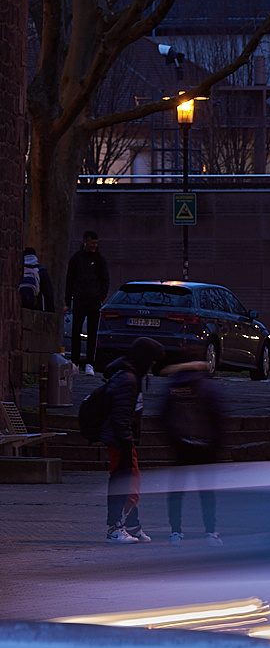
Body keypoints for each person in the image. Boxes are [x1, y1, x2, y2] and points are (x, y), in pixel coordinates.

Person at [157, 353, 226, 544]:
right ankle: (210, 532)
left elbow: (162, 417)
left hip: (180, 448)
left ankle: (175, 532)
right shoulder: (208, 387)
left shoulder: (171, 388)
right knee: (207, 494)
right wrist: (216, 447)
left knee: (176, 493)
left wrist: (173, 443)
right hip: (205, 448)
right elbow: (218, 418)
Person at [102, 337, 162, 543]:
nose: (153, 365)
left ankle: (131, 524)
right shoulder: (128, 380)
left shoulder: (129, 377)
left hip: (123, 439)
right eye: (152, 360)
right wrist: (127, 441)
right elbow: (121, 416)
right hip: (121, 440)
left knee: (131, 482)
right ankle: (115, 527)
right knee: (124, 482)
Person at [66, 231, 110, 371]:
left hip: (93, 300)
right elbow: (70, 281)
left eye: (96, 243)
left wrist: (100, 297)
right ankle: (75, 361)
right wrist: (68, 301)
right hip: (79, 299)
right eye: (92, 243)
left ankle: (89, 363)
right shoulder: (76, 259)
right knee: (76, 331)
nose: (94, 246)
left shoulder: (99, 259)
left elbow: (105, 280)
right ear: (85, 241)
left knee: (92, 333)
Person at [19, 247, 54, 312]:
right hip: (37, 306)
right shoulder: (41, 271)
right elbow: (48, 293)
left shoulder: (19, 270)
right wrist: (50, 311)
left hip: (20, 306)